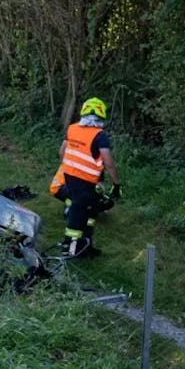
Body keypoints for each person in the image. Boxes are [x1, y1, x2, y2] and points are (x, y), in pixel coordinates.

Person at [48, 97, 122, 258]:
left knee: (91, 210)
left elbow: (62, 152)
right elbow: (108, 162)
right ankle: (71, 248)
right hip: (86, 182)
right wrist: (116, 184)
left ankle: (86, 245)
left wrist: (68, 167)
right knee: (79, 212)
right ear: (102, 116)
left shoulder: (72, 129)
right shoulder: (100, 135)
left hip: (70, 178)